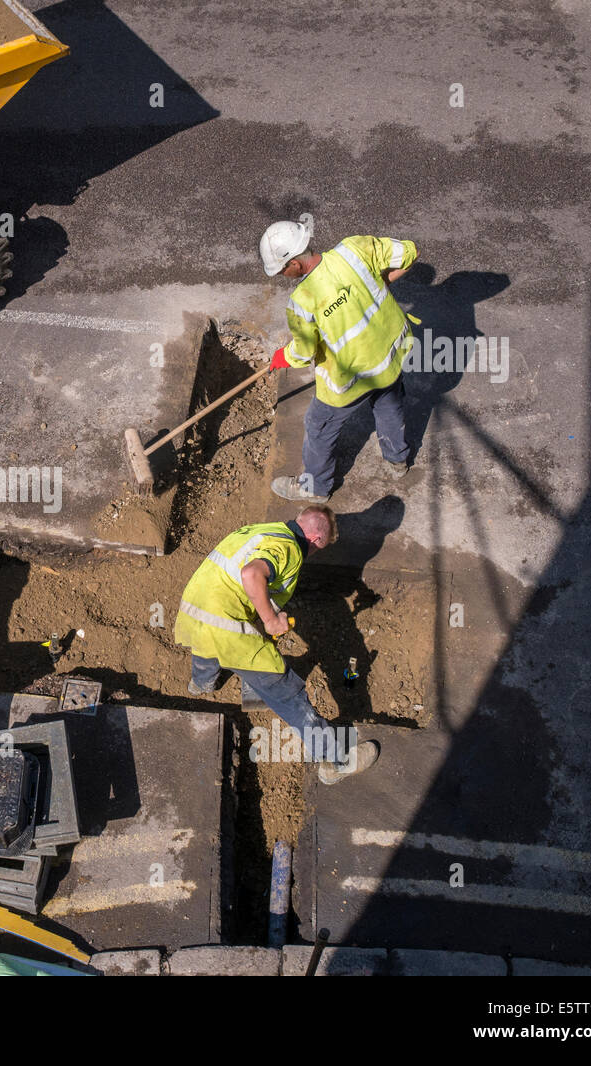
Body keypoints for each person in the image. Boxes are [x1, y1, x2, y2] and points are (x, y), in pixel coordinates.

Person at [173, 505, 379, 783]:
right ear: (317, 541)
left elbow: (240, 575)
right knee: (286, 692)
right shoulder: (290, 550)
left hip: (195, 605)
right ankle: (335, 761)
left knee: (207, 642)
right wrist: (269, 620)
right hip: (226, 625)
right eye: (322, 548)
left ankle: (201, 684)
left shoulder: (264, 531)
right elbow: (251, 575)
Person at [260, 219, 418, 504]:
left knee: (318, 425)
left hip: (351, 380)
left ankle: (315, 487)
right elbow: (409, 253)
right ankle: (397, 461)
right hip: (390, 356)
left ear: (294, 263)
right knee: (388, 405)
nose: (282, 275)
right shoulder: (354, 249)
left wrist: (285, 356)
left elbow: (304, 352)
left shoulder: (303, 301)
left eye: (282, 269)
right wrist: (381, 282)